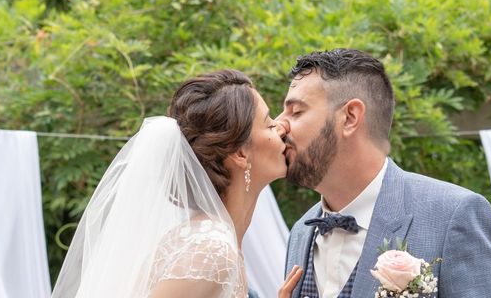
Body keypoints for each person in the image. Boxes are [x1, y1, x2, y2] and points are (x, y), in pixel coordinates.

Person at [278, 49, 491, 298]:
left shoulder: (453, 216)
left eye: (296, 112)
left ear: (350, 117)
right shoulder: (301, 232)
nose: (279, 125)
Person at [51, 69, 303, 298]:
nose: (281, 128)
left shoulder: (210, 238)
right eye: (269, 124)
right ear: (239, 154)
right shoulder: (211, 251)